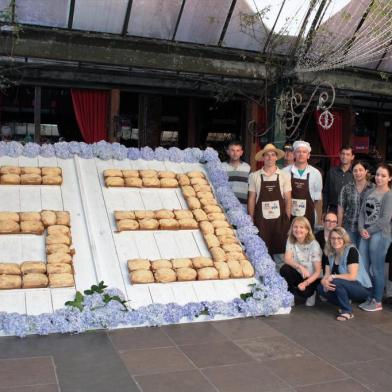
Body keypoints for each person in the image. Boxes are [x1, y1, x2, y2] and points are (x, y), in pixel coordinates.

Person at [248, 144, 291, 268]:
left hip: (279, 221)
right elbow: (252, 198)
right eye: (267, 155)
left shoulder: (284, 176)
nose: (270, 157)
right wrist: (251, 218)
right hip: (261, 221)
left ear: (276, 158)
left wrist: (287, 218)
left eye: (273, 155)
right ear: (263, 158)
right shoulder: (254, 176)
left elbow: (288, 198)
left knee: (280, 255)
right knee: (261, 253)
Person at [317, 227, 372, 321]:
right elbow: (326, 274)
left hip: (362, 288)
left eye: (339, 238)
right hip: (345, 285)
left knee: (336, 281)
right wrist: (323, 282)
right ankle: (345, 302)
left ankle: (347, 311)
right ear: (329, 239)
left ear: (344, 239)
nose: (336, 241)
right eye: (333, 238)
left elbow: (352, 276)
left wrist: (333, 276)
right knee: (320, 288)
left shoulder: (351, 251)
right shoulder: (329, 253)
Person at [358, 163, 392, 312]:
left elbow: (385, 219)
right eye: (378, 174)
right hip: (365, 233)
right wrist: (360, 228)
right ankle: (370, 296)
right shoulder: (369, 191)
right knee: (364, 267)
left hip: (380, 234)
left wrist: (369, 231)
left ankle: (377, 300)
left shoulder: (389, 195)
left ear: (389, 178)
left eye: (383, 175)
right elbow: (361, 213)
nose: (379, 178)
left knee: (377, 269)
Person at [280, 216, 322, 306]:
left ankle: (312, 292)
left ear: (307, 230)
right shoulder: (290, 240)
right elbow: (287, 259)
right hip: (299, 272)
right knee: (284, 269)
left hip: (311, 276)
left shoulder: (314, 244)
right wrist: (300, 267)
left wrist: (305, 283)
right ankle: (290, 295)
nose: (298, 230)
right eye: (295, 227)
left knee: (305, 293)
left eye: (301, 227)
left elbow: (318, 271)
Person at [283, 141, 323, 229]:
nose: (301, 154)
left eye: (304, 152)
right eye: (298, 151)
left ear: (308, 155)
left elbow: (316, 200)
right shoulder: (284, 172)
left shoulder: (316, 173)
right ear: (294, 154)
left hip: (308, 215)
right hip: (289, 215)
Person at [338, 160, 374, 247]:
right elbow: (340, 209)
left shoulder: (373, 188)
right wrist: (339, 228)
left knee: (363, 255)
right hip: (350, 227)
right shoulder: (346, 188)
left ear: (366, 171)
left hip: (367, 229)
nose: (358, 173)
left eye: (361, 170)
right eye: (355, 170)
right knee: (351, 252)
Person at [323, 145, 355, 214]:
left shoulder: (355, 174)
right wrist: (324, 211)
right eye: (343, 154)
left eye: (348, 154)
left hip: (350, 211)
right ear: (339, 155)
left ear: (352, 157)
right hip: (333, 209)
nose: (345, 156)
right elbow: (325, 192)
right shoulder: (331, 172)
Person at [221, 140, 250, 206]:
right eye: (232, 150)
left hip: (243, 207)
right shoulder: (221, 167)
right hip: (225, 206)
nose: (235, 153)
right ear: (228, 152)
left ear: (241, 152)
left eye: (238, 150)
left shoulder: (247, 168)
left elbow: (251, 190)